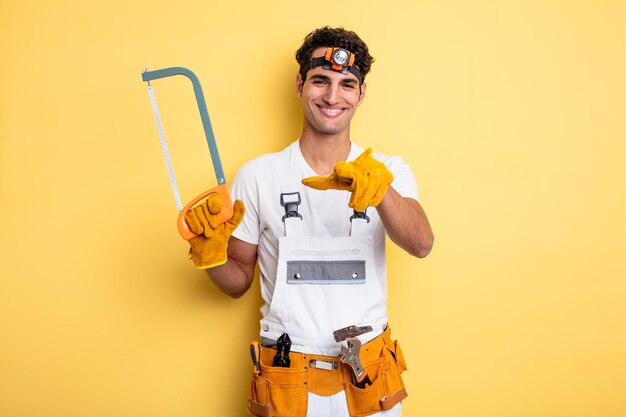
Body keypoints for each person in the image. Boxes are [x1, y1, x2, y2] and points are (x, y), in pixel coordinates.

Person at [184, 26, 434, 417]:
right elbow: (237, 284)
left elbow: (421, 244)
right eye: (321, 81)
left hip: (368, 375)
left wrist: (381, 191)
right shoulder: (258, 176)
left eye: (346, 84)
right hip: (287, 377)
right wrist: (211, 256)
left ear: (361, 93)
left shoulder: (389, 171)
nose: (333, 97)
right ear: (300, 84)